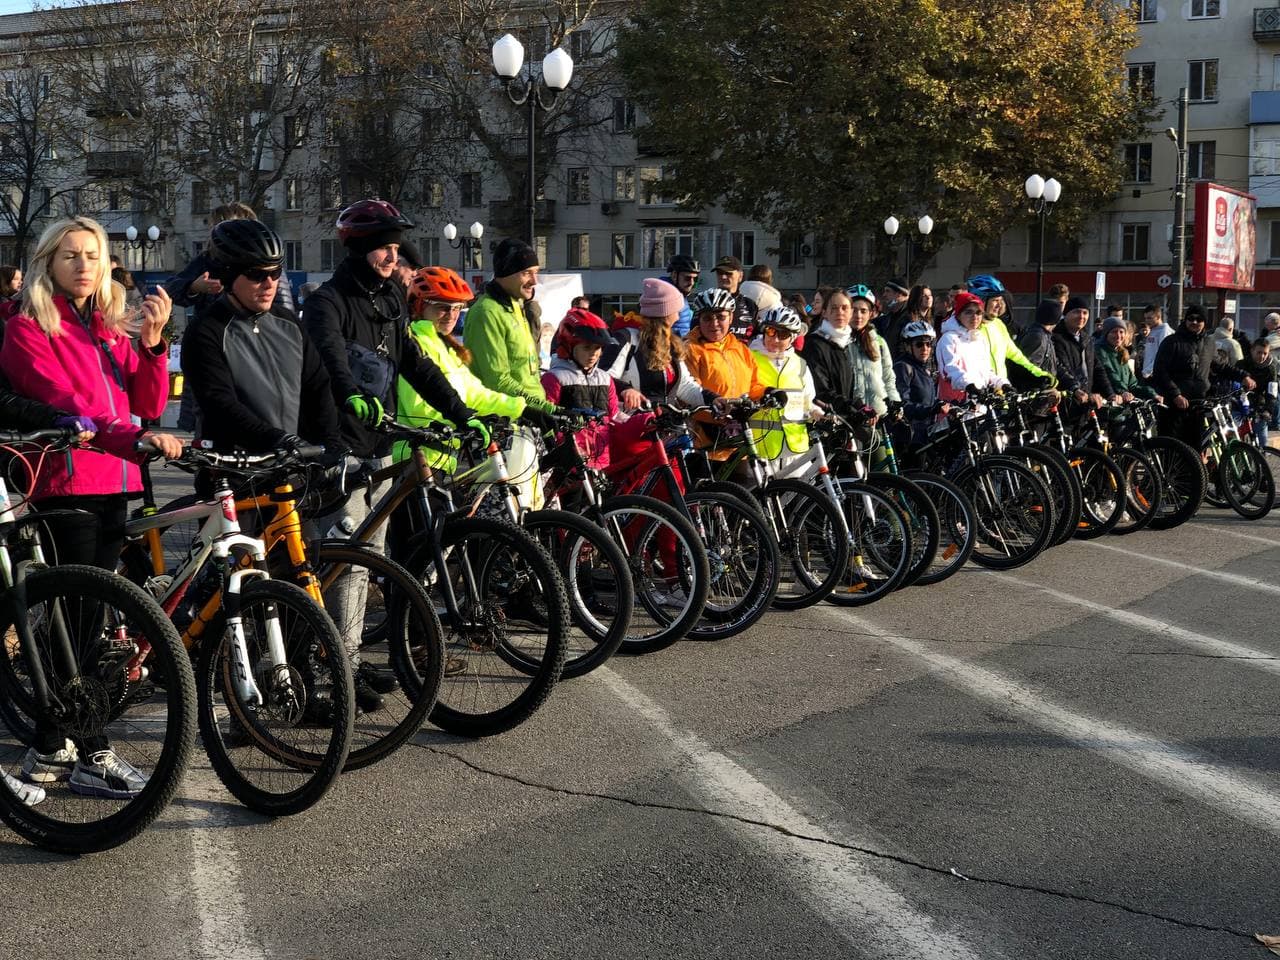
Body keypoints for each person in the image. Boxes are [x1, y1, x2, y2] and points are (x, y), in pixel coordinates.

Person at [1, 216, 183, 799]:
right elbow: (68, 404)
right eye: (71, 255)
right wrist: (131, 438)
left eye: (93, 255)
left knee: (88, 623)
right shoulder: (29, 327)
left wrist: (154, 345)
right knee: (71, 621)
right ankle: (74, 744)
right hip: (65, 484)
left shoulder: (110, 329)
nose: (84, 265)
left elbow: (149, 401)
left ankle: (63, 746)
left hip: (116, 480)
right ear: (48, 263)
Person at [304, 199, 483, 713]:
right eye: (383, 245)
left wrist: (459, 412)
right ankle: (331, 665)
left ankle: (349, 658)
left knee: (369, 561)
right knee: (344, 561)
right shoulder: (328, 301)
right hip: (337, 448)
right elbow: (332, 359)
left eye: (395, 245)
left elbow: (418, 365)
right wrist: (347, 395)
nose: (392, 253)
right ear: (359, 246)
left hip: (378, 446)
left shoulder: (389, 300)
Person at [180, 219, 345, 457]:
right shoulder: (206, 329)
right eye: (257, 274)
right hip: (235, 467)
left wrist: (331, 443)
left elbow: (317, 387)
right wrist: (277, 440)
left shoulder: (289, 323)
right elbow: (219, 403)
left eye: (276, 272)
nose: (269, 283)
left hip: (289, 463)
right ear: (228, 276)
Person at [396, 266, 531, 472]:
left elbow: (475, 394)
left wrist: (521, 409)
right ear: (420, 306)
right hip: (415, 460)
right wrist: (468, 420)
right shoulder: (414, 345)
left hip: (444, 459)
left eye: (457, 307)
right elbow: (418, 409)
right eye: (442, 307)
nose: (452, 315)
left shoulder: (446, 347)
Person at [465, 237, 561, 418]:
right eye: (526, 273)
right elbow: (498, 381)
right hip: (506, 420)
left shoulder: (516, 305)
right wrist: (545, 408)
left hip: (529, 416)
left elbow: (526, 372)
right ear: (505, 273)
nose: (534, 281)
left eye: (536, 272)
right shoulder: (487, 312)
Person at [604, 277, 717, 410]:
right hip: (633, 423)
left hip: (668, 423)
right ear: (665, 312)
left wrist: (714, 399)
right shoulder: (628, 339)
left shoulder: (673, 344)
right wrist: (626, 389)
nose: (679, 315)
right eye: (676, 309)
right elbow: (602, 378)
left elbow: (685, 386)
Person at [1153, 304, 1255, 449]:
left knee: (1195, 448)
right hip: (1174, 405)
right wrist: (1175, 394)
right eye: (1191, 318)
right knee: (1172, 449)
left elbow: (1221, 366)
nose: (1194, 322)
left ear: (1204, 322)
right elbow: (1160, 371)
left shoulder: (1209, 342)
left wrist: (1243, 376)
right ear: (1185, 320)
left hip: (1198, 405)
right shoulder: (1171, 342)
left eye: (1199, 319)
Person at [541, 308, 618, 468]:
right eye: (586, 347)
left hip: (601, 462)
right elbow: (545, 421)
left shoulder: (605, 379)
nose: (593, 354)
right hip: (569, 463)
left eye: (597, 348)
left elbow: (614, 416)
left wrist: (643, 419)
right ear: (569, 347)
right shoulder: (554, 378)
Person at [748, 305, 819, 470]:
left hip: (795, 449)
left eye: (783, 334)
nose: (776, 339)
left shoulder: (800, 364)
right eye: (771, 332)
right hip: (762, 449)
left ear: (792, 338)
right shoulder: (749, 359)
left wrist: (816, 412)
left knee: (802, 495)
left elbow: (808, 401)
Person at [937, 290, 1007, 401]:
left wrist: (1002, 384)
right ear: (959, 315)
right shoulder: (948, 339)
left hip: (979, 403)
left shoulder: (979, 339)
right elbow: (950, 370)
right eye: (969, 312)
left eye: (979, 313)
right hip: (956, 405)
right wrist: (970, 386)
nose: (975, 317)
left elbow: (987, 371)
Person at [842, 284, 900, 416]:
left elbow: (888, 378)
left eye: (863, 311)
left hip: (879, 414)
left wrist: (895, 403)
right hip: (850, 416)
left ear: (871, 313)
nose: (858, 315)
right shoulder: (839, 342)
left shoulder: (879, 342)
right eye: (853, 310)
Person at [1053, 297, 1116, 411]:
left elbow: (1098, 368)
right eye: (1076, 312)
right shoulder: (1056, 337)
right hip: (1065, 404)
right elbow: (1060, 368)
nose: (1081, 316)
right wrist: (1076, 390)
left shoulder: (1087, 339)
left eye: (1085, 313)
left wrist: (1110, 393)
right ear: (1066, 314)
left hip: (1086, 402)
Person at [893, 319, 947, 447]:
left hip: (925, 432)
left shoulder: (923, 369)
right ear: (907, 346)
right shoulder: (903, 367)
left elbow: (927, 400)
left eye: (928, 344)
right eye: (919, 344)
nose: (925, 348)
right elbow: (902, 404)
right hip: (909, 436)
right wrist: (930, 410)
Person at [1097, 316, 1157, 403]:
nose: (1118, 335)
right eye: (1114, 332)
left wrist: (1152, 393)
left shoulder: (1122, 353)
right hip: (1106, 404)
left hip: (1122, 406)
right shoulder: (1100, 351)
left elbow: (1132, 384)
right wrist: (1123, 391)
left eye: (1121, 332)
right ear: (1106, 333)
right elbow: (1109, 373)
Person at [1017, 298, 1064, 388]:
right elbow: (1029, 370)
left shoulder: (1043, 335)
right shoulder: (1037, 337)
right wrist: (1048, 385)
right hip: (1035, 396)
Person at [711, 255, 758, 341]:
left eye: (728, 273)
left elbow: (756, 339)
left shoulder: (749, 305)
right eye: (719, 273)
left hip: (741, 353)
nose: (723, 277)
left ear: (740, 276)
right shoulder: (707, 303)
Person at [1241, 338, 1277, 447]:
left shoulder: (1271, 369)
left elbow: (1272, 392)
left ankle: (1262, 457)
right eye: (1259, 352)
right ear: (1252, 350)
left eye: (1265, 353)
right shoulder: (1242, 364)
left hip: (1259, 403)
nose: (1262, 356)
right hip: (1240, 402)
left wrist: (1268, 410)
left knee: (1262, 435)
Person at [883, 284, 932, 359]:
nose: (928, 298)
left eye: (930, 295)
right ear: (916, 298)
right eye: (924, 295)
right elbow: (898, 345)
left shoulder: (928, 320)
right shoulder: (908, 319)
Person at [659, 254, 698, 337]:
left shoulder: (679, 294)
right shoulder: (665, 297)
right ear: (674, 275)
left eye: (695, 279)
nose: (692, 283)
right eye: (687, 278)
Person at [1140, 303, 1171, 382]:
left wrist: (1148, 371)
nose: (1147, 321)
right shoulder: (1153, 330)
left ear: (1158, 317)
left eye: (1150, 318)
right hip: (1148, 373)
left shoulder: (1164, 331)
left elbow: (1162, 354)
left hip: (1155, 374)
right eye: (1145, 318)